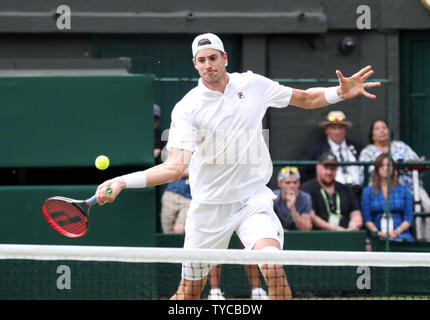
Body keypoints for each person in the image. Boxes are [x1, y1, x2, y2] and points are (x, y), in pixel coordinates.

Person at [95, 33, 380, 300]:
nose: (208, 65)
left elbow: (304, 99)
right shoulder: (187, 108)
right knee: (188, 295)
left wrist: (339, 93)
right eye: (202, 60)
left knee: (272, 267)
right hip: (208, 207)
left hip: (252, 200)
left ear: (225, 58)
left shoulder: (253, 84)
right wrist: (122, 181)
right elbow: (173, 167)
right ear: (195, 64)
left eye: (213, 58)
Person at [359, 119, 430, 212]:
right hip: (381, 190)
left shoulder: (401, 146)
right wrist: (393, 166)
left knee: (427, 206)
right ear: (372, 135)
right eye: (377, 129)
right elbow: (368, 172)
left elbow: (416, 163)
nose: (382, 131)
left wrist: (419, 162)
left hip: (410, 188)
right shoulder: (367, 151)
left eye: (384, 127)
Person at [301, 111, 363, 198]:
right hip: (331, 194)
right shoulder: (316, 149)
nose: (337, 132)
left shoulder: (357, 147)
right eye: (333, 128)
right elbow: (304, 171)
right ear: (326, 130)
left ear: (345, 129)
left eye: (340, 127)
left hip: (358, 192)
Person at [300, 152, 363, 231]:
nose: (329, 172)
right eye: (326, 168)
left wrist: (353, 226)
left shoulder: (346, 189)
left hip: (345, 235)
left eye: (332, 169)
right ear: (318, 167)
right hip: (318, 237)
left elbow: (356, 213)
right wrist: (335, 229)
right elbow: (311, 216)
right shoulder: (307, 188)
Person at [361, 153, 414, 242]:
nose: (386, 168)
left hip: (401, 234)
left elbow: (408, 218)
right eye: (382, 166)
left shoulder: (404, 190)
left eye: (388, 165)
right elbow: (367, 219)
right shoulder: (368, 192)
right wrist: (378, 233)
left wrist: (396, 232)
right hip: (377, 235)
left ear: (393, 168)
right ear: (377, 169)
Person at [273, 166, 312, 231]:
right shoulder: (273, 197)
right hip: (276, 236)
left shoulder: (305, 198)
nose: (292, 186)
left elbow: (306, 228)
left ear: (299, 183)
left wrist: (292, 208)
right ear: (279, 184)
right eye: (287, 183)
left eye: (295, 182)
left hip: (298, 238)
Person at [160, 166, 191, 234]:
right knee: (167, 232)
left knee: (179, 230)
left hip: (189, 199)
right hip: (171, 195)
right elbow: (174, 171)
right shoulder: (181, 156)